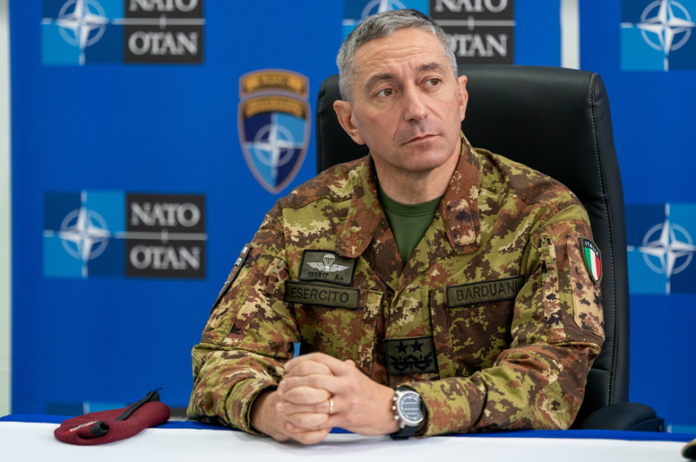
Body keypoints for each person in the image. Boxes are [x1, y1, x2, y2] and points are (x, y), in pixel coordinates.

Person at [186, 9, 604, 444]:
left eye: (432, 82)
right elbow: (222, 358)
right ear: (350, 121)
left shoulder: (541, 212)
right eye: (386, 92)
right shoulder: (300, 217)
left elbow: (553, 379)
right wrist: (272, 409)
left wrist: (399, 409)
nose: (417, 110)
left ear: (461, 98)